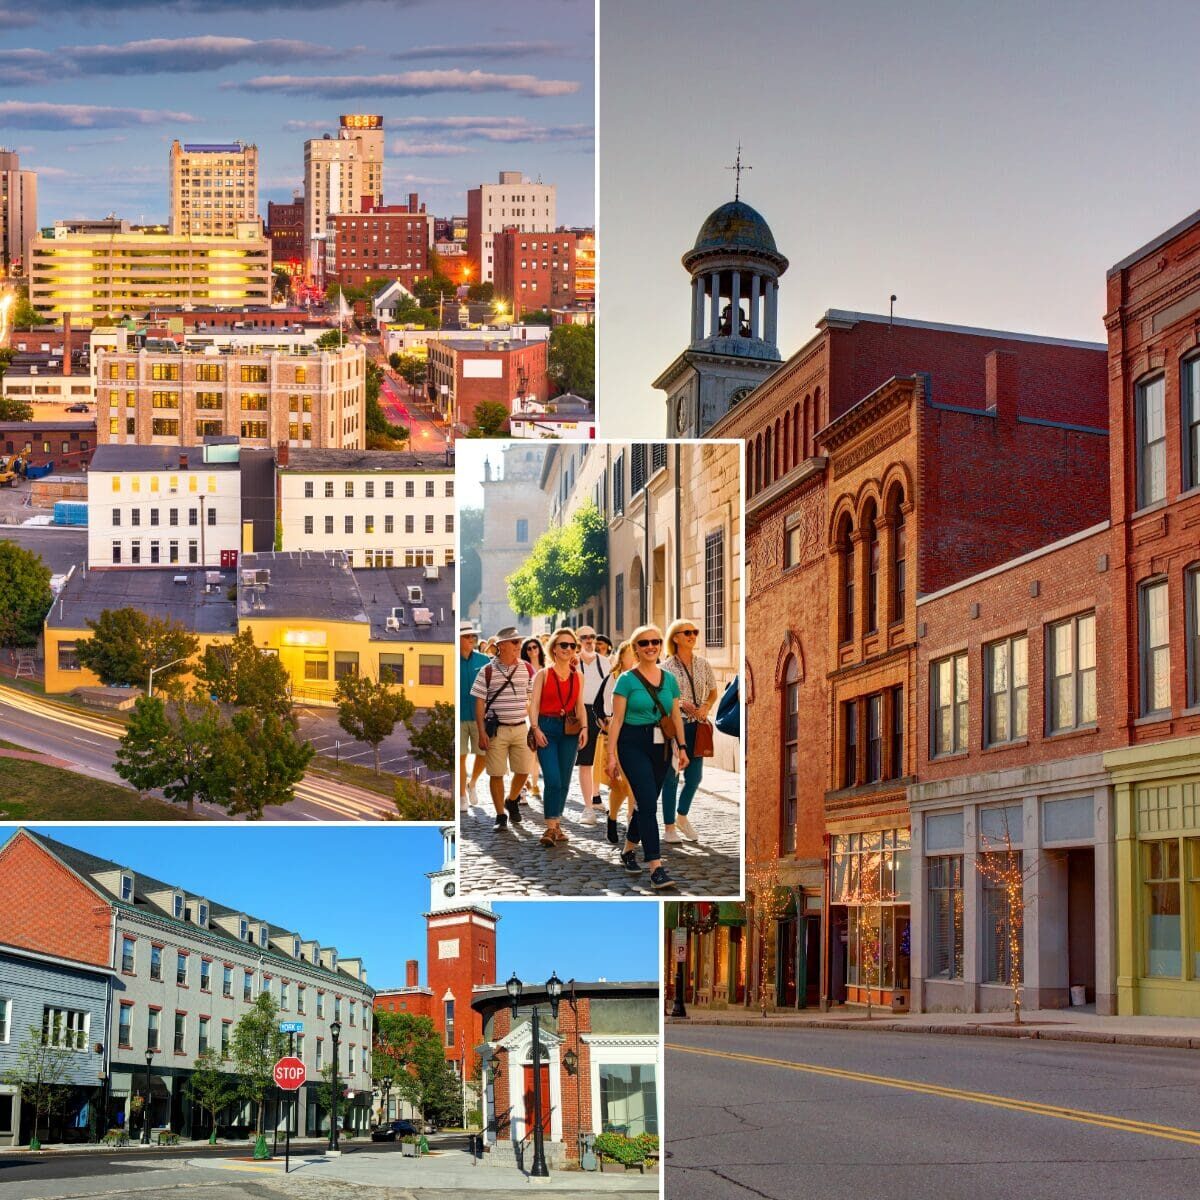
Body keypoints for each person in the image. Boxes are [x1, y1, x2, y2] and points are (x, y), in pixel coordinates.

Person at [606, 623, 688, 891]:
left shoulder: (670, 680)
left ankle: (628, 849)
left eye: (655, 641)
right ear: (635, 649)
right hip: (632, 744)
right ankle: (656, 868)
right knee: (648, 804)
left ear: (661, 645)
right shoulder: (626, 680)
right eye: (644, 643)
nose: (651, 646)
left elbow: (675, 716)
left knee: (646, 803)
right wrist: (611, 755)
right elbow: (617, 720)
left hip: (661, 745)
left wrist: (682, 747)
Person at [470, 627, 535, 830]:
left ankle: (512, 799)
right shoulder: (487, 671)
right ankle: (500, 816)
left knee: (524, 770)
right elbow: (479, 703)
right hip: (496, 730)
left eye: (519, 642)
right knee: (496, 773)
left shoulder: (526, 668)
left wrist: (535, 725)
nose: (519, 646)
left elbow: (532, 699)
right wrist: (481, 732)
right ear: (501, 646)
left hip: (521, 727)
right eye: (514, 642)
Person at [529, 628, 589, 847]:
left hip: (570, 731)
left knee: (564, 780)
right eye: (563, 645)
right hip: (546, 728)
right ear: (554, 648)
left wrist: (585, 728)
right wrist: (535, 729)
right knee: (552, 779)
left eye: (572, 646)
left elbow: (580, 705)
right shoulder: (543, 675)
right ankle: (550, 827)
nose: (568, 649)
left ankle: (556, 824)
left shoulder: (578, 676)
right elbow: (534, 704)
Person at [661, 618, 719, 842]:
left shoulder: (703, 664)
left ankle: (682, 816)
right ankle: (669, 828)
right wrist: (679, 703)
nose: (692, 636)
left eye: (695, 632)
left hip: (697, 726)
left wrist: (706, 706)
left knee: (695, 777)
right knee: (671, 777)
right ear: (675, 638)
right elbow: (661, 698)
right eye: (687, 633)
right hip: (676, 727)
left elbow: (713, 691)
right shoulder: (665, 668)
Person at [594, 639, 635, 845]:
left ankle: (632, 821)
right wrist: (605, 722)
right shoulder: (614, 677)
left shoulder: (645, 676)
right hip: (616, 736)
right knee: (619, 785)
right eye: (631, 654)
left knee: (634, 784)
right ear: (622, 657)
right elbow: (600, 706)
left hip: (637, 736)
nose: (635, 657)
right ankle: (612, 818)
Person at [574, 625, 610, 826]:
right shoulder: (572, 662)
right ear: (578, 640)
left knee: (600, 757)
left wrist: (608, 715)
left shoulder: (604, 662)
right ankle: (588, 807)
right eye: (584, 637)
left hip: (601, 712)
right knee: (586, 760)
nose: (589, 640)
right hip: (581, 713)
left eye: (592, 637)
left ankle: (596, 797)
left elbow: (610, 689)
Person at [458, 622, 491, 811]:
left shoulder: (484, 660)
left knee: (483, 755)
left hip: (481, 718)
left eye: (473, 636)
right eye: (467, 636)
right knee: (460, 757)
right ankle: (462, 795)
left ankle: (472, 782)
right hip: (459, 718)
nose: (471, 639)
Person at [520, 638, 548, 800]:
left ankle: (535, 783)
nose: (532, 650)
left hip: (544, 712)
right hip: (527, 713)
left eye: (535, 647)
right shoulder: (523, 668)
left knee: (538, 752)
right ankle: (525, 784)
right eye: (528, 648)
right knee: (528, 751)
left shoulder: (547, 668)